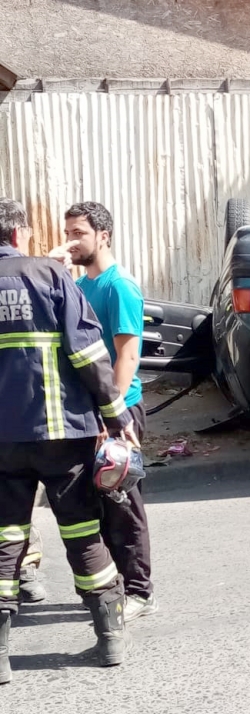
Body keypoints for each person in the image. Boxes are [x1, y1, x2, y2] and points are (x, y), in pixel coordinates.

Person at [0, 197, 139, 683]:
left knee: (5, 537)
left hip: (3, 440)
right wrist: (116, 416)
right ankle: (110, 639)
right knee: (82, 532)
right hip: (63, 433)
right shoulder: (51, 276)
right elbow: (88, 355)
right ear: (19, 236)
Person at [61, 201, 157, 623]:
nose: (70, 241)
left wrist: (111, 417)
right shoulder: (82, 285)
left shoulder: (120, 287)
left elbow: (128, 355)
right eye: (68, 232)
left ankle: (139, 591)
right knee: (99, 506)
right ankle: (114, 582)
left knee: (124, 503)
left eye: (78, 232)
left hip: (119, 412)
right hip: (92, 413)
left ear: (103, 235)